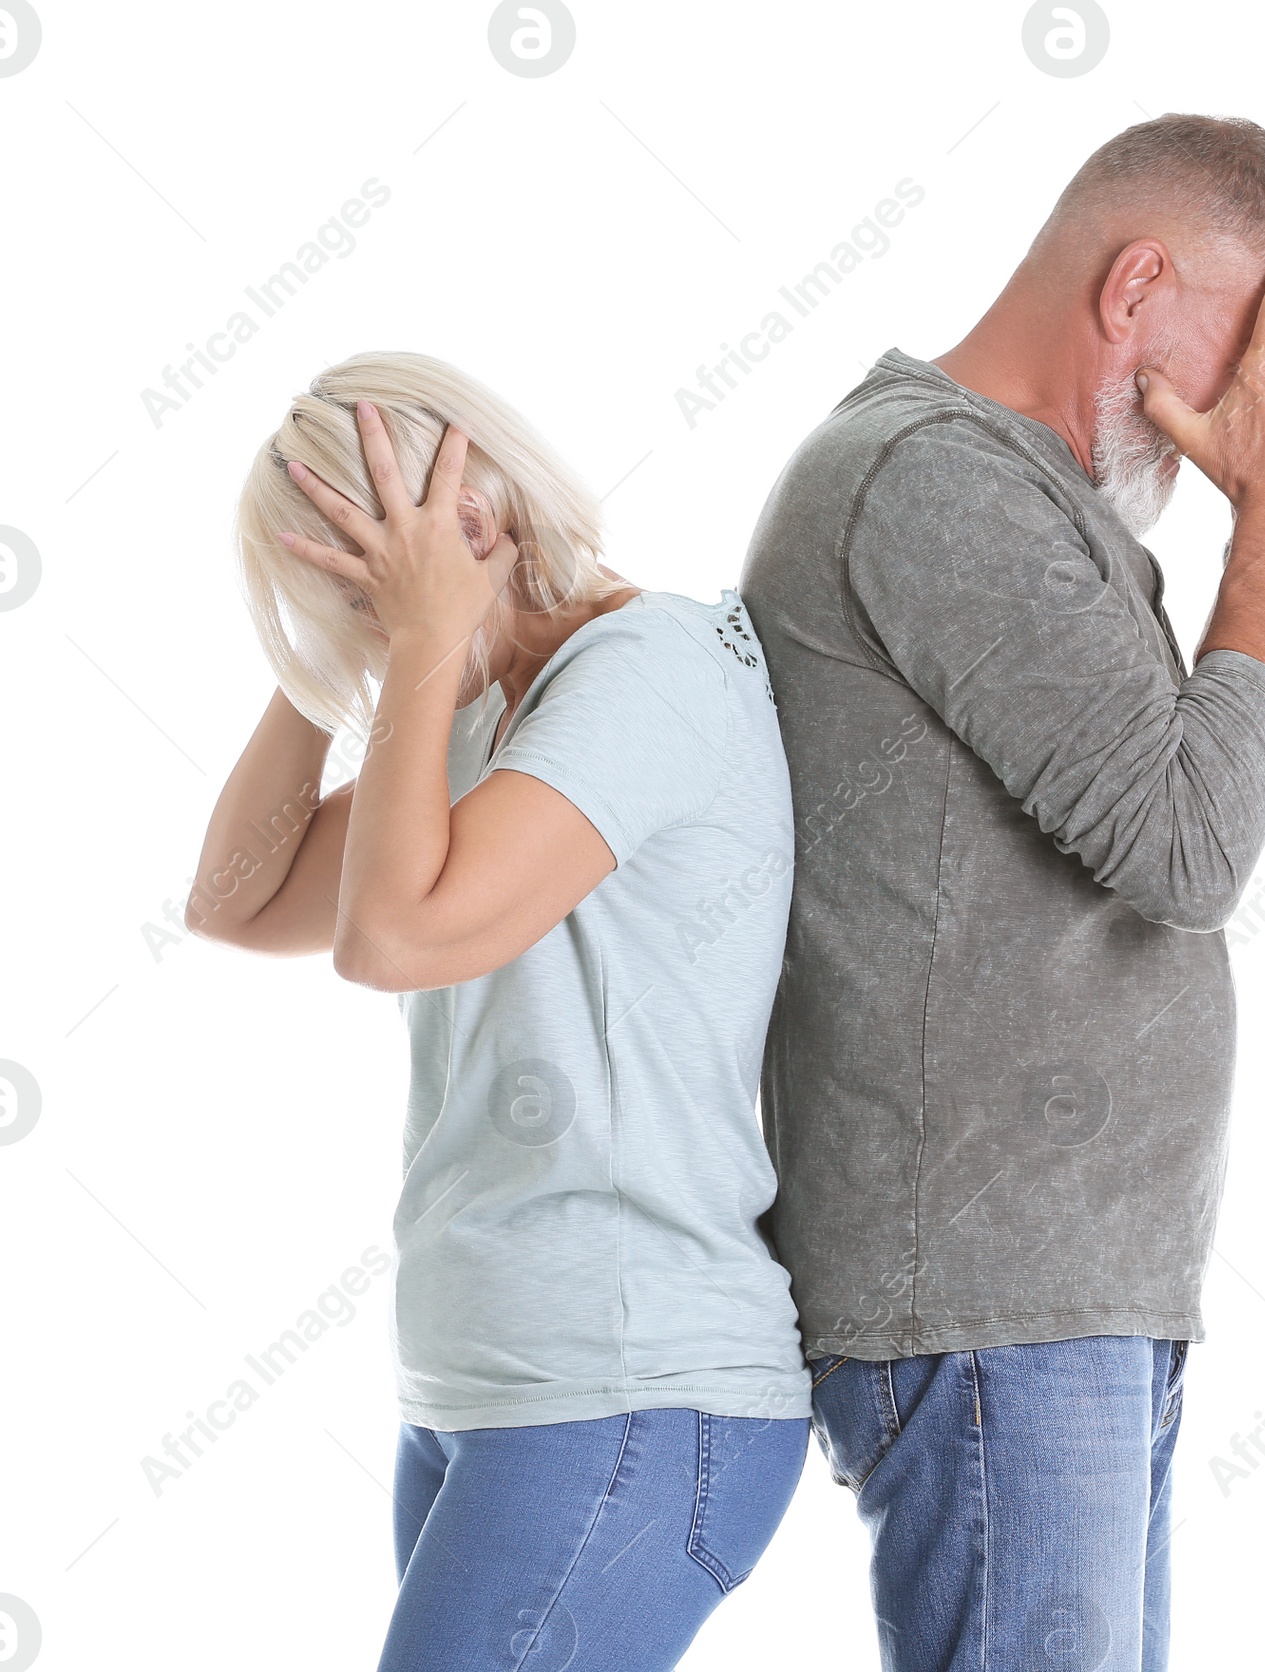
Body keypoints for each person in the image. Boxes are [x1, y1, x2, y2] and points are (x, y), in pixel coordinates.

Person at [740, 115, 1265, 1670]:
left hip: (1060, 1302)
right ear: (1136, 291)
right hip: (1000, 1307)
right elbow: (1192, 843)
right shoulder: (933, 482)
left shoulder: (1026, 501)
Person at [187, 352, 809, 1671]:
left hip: (627, 1391)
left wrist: (415, 636)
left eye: (362, 589)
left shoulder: (650, 673)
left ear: (470, 522)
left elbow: (392, 939)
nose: (366, 640)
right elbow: (236, 905)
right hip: (489, 1391)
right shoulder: (474, 723)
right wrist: (322, 664)